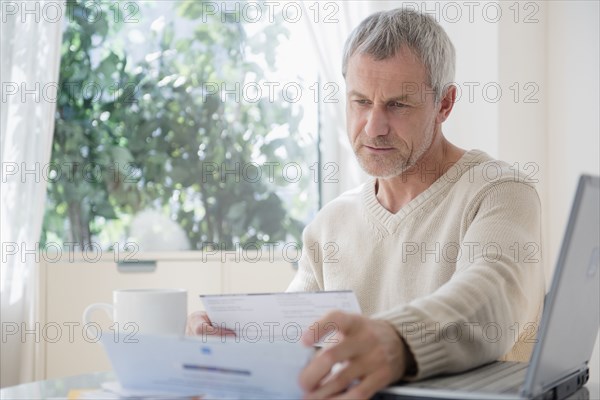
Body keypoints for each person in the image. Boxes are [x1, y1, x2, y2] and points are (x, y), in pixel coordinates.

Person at [187, 8, 545, 399]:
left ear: (445, 104)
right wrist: (227, 341)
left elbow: (492, 298)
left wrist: (398, 341)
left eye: (397, 105)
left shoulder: (500, 192)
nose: (373, 127)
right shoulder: (330, 224)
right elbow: (290, 337)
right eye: (360, 102)